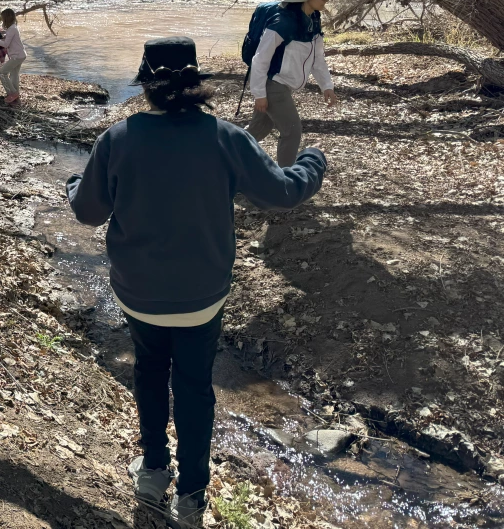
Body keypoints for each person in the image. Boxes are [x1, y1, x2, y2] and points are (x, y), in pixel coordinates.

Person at [66, 37, 326, 528]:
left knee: (148, 371)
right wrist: (313, 159)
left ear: (146, 84)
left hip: (138, 293)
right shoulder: (224, 137)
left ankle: (153, 472)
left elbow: (87, 211)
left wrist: (74, 183)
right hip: (202, 295)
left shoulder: (118, 139)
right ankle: (192, 496)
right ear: (196, 83)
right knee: (193, 387)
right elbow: (284, 191)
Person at [247, 0, 345, 167]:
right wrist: (259, 93)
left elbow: (318, 59)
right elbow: (260, 59)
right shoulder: (283, 22)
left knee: (258, 129)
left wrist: (326, 86)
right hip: (273, 83)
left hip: (283, 85)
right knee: (292, 131)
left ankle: (222, 157)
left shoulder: (313, 20)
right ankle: (287, 180)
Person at [0, 7, 26, 105]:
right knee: (14, 74)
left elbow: (6, 44)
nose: (2, 20)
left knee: (2, 73)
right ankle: (15, 96)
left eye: (3, 18)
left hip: (17, 56)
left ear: (7, 18)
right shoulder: (13, 28)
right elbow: (7, 40)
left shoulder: (12, 29)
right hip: (20, 55)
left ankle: (13, 93)